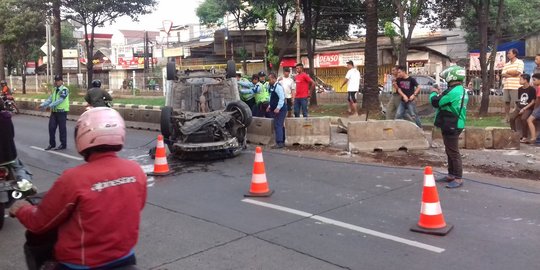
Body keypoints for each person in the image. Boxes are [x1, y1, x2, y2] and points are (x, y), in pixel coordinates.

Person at [9, 107, 147, 270]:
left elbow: (40, 222)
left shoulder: (73, 178)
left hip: (80, 264)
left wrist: (21, 209)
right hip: (125, 258)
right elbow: (136, 206)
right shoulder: (136, 171)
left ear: (82, 135)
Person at [430, 65, 468, 189]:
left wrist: (433, 93)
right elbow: (446, 101)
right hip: (453, 123)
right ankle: (451, 174)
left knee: (453, 152)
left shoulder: (454, 91)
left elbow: (436, 102)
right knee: (449, 150)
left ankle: (458, 178)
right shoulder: (460, 90)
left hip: (452, 123)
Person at [0, 101, 32, 182]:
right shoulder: (6, 118)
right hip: (9, 156)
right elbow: (12, 134)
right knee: (20, 168)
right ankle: (25, 183)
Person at [39, 75, 70, 151]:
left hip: (62, 111)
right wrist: (42, 105)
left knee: (62, 129)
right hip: (54, 112)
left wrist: (50, 106)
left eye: (59, 80)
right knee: (51, 128)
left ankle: (63, 144)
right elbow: (50, 99)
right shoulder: (54, 90)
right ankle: (52, 144)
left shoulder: (64, 90)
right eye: (56, 80)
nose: (57, 82)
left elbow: (60, 100)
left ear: (62, 81)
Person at [509, 74, 536, 142]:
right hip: (519, 107)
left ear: (525, 80)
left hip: (528, 108)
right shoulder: (520, 89)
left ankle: (524, 136)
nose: (519, 81)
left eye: (520, 79)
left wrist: (524, 109)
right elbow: (518, 100)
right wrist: (515, 108)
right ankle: (514, 133)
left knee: (523, 118)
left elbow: (533, 101)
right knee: (511, 117)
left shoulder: (532, 89)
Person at [501, 48, 524, 122]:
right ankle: (507, 117)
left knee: (517, 102)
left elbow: (518, 72)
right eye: (507, 53)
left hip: (516, 86)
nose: (508, 55)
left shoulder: (520, 62)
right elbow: (503, 74)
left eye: (509, 53)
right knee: (506, 102)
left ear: (514, 54)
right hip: (507, 85)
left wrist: (508, 72)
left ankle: (517, 117)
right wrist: (511, 73)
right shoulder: (506, 64)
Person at [266, 73, 287, 148]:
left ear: (274, 79)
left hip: (281, 110)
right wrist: (269, 106)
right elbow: (271, 98)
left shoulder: (278, 87)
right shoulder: (272, 87)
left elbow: (282, 98)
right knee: (278, 125)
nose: (269, 81)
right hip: (274, 109)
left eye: (270, 79)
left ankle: (280, 142)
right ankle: (282, 140)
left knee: (278, 125)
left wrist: (278, 108)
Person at [525, 73, 540, 145]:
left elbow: (537, 100)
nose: (533, 82)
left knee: (529, 120)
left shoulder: (539, 88)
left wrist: (535, 109)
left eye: (534, 80)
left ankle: (533, 138)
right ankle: (537, 140)